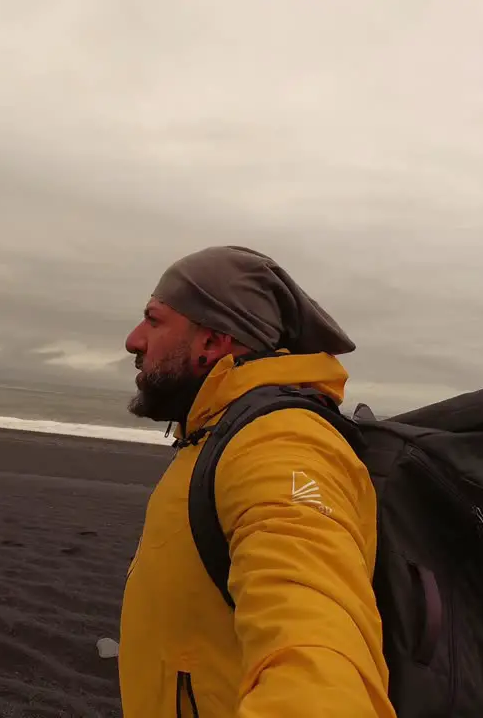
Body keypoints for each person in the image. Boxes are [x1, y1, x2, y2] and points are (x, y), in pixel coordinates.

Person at [117, 245, 397, 718]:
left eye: (154, 320)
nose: (133, 339)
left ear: (211, 343)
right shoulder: (210, 432)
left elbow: (317, 652)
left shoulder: (279, 442)